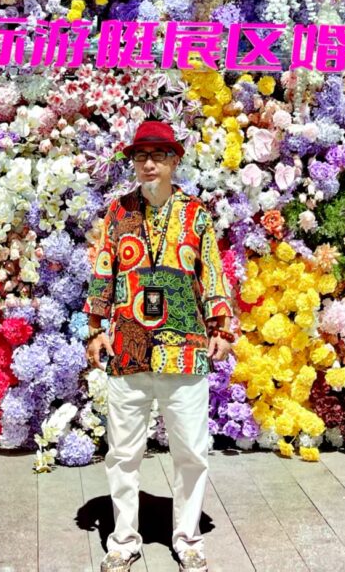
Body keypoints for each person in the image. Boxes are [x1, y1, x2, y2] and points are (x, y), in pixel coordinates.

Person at [83, 120, 235, 572]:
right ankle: (123, 540)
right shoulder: (118, 212)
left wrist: (222, 327)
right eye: (140, 156)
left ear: (174, 161)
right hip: (128, 348)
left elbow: (212, 272)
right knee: (123, 453)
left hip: (184, 347)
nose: (148, 164)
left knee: (191, 452)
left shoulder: (196, 214)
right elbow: (103, 271)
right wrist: (95, 329)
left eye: (158, 155)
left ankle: (187, 539)